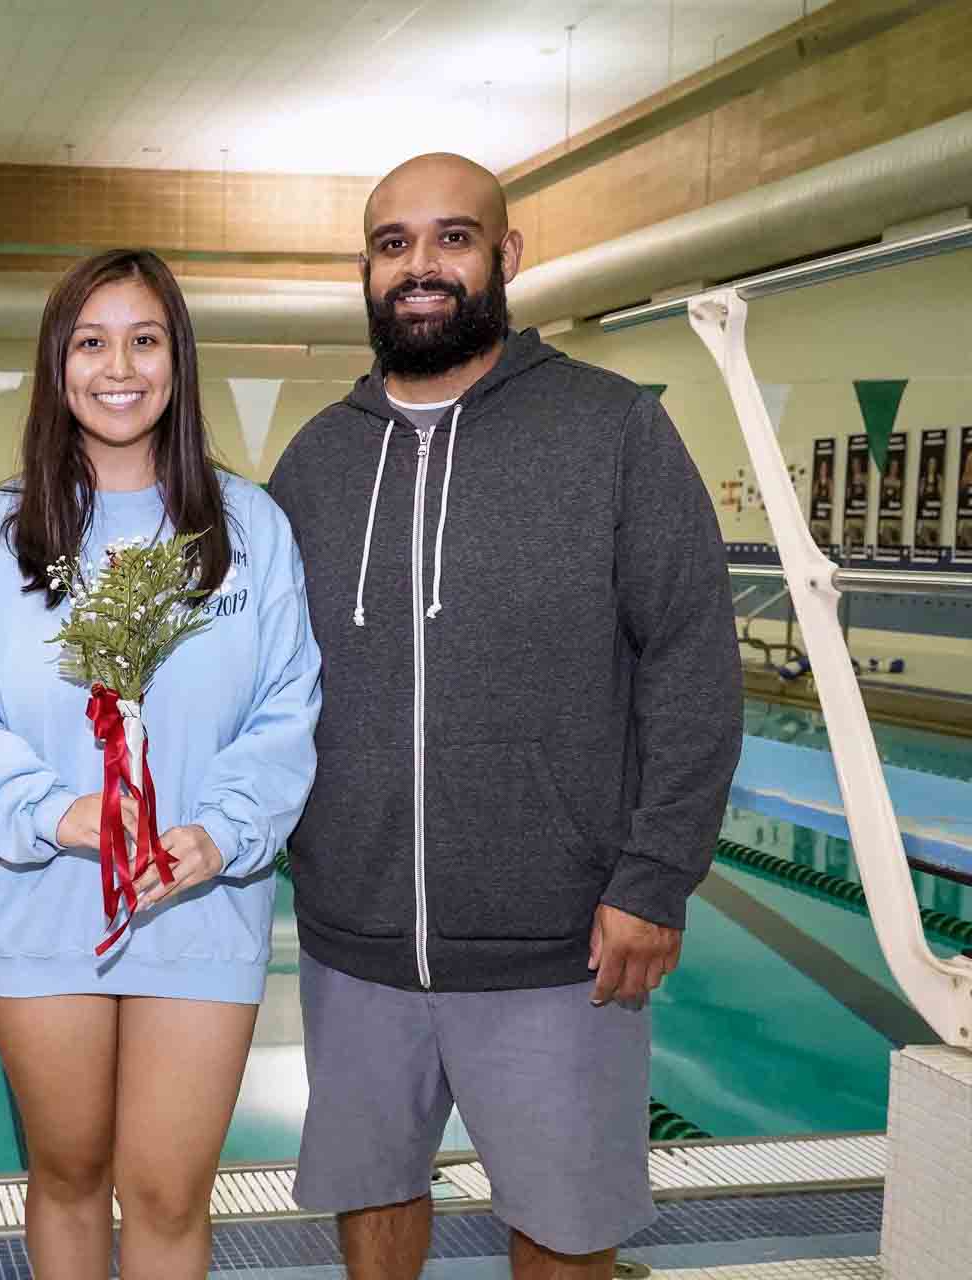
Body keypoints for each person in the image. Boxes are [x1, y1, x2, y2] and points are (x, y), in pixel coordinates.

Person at [267, 153, 742, 1280]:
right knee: (373, 1193)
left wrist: (654, 876)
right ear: (365, 270)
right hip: (356, 938)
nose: (420, 265)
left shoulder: (611, 430)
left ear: (506, 254)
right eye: (393, 244)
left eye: (453, 237)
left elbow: (691, 658)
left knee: (566, 1228)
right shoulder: (317, 461)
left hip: (561, 943)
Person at [0, 248, 321, 1279]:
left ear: (178, 359)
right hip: (43, 904)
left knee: (171, 1192)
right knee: (68, 1175)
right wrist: (55, 811)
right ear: (57, 364)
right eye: (91, 342)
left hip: (203, 906)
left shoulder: (250, 529)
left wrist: (220, 832)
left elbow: (287, 708)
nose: (119, 366)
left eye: (145, 339)